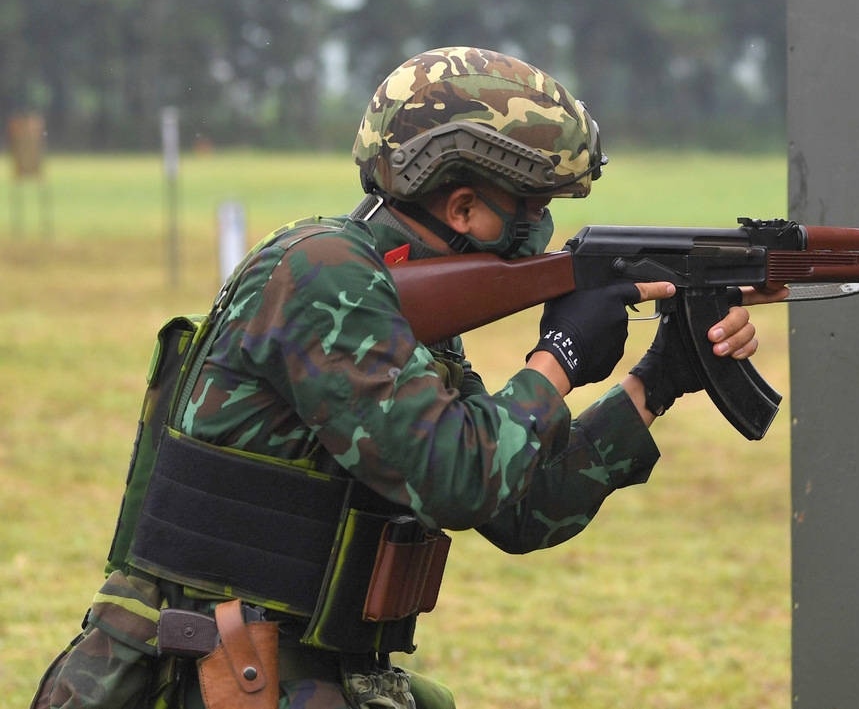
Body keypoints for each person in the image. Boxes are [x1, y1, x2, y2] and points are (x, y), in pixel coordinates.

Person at [31, 46, 780, 709]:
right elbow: (457, 478)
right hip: (222, 673)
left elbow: (520, 509)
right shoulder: (323, 274)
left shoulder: (393, 302)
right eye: (535, 209)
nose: (542, 230)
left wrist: (658, 379)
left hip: (295, 670)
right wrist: (557, 358)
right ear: (462, 205)